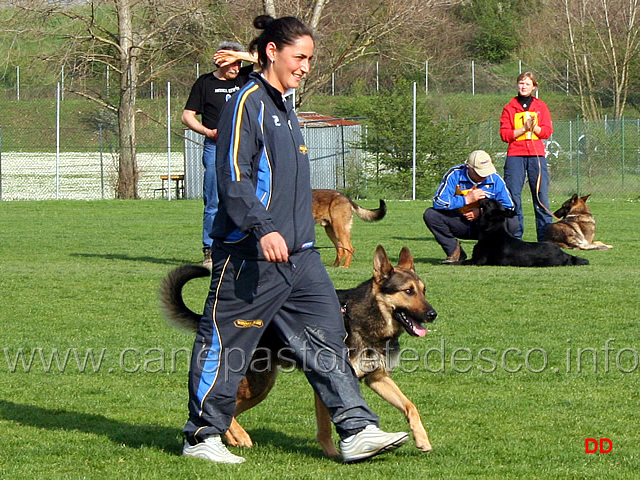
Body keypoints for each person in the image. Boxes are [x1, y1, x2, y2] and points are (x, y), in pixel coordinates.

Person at [181, 15, 409, 465]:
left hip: (302, 258)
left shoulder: (284, 105)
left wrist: (297, 238)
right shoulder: (245, 103)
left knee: (328, 341)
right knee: (227, 344)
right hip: (251, 253)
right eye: (299, 57)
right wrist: (261, 229)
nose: (305, 66)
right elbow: (233, 174)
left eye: (309, 58)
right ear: (273, 53)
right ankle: (200, 436)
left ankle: (357, 429)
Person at [182, 41, 256, 269]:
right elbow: (187, 116)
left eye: (239, 62)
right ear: (219, 61)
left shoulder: (246, 76)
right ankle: (210, 251)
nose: (236, 67)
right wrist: (207, 132)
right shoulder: (205, 83)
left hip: (243, 148)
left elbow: (269, 60)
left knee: (245, 197)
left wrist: (238, 54)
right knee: (213, 200)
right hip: (215, 147)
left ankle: (242, 247)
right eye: (231, 63)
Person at [423, 150, 518, 264]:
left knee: (513, 222)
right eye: (480, 172)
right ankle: (454, 251)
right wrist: (466, 199)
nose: (485, 176)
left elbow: (509, 207)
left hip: (485, 226)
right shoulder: (455, 174)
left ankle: (496, 253)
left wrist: (481, 212)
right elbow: (438, 202)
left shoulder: (496, 179)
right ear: (468, 167)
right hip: (459, 221)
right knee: (431, 215)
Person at [499, 71, 554, 241]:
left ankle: (546, 238)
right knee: (512, 197)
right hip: (515, 155)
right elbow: (504, 134)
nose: (523, 87)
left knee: (541, 197)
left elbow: (546, 131)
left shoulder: (541, 107)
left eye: (527, 84)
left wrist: (534, 128)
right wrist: (523, 129)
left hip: (536, 156)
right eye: (521, 83)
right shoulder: (509, 108)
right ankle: (515, 237)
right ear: (517, 85)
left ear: (534, 87)